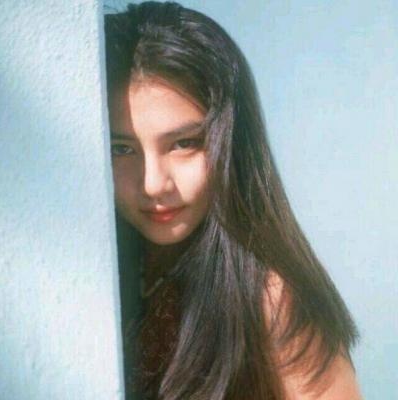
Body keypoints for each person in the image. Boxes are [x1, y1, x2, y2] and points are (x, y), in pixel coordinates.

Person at [104, 2, 362, 399]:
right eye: (122, 149)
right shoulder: (98, 269)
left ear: (231, 144)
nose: (153, 184)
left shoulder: (270, 299)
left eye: (184, 144)